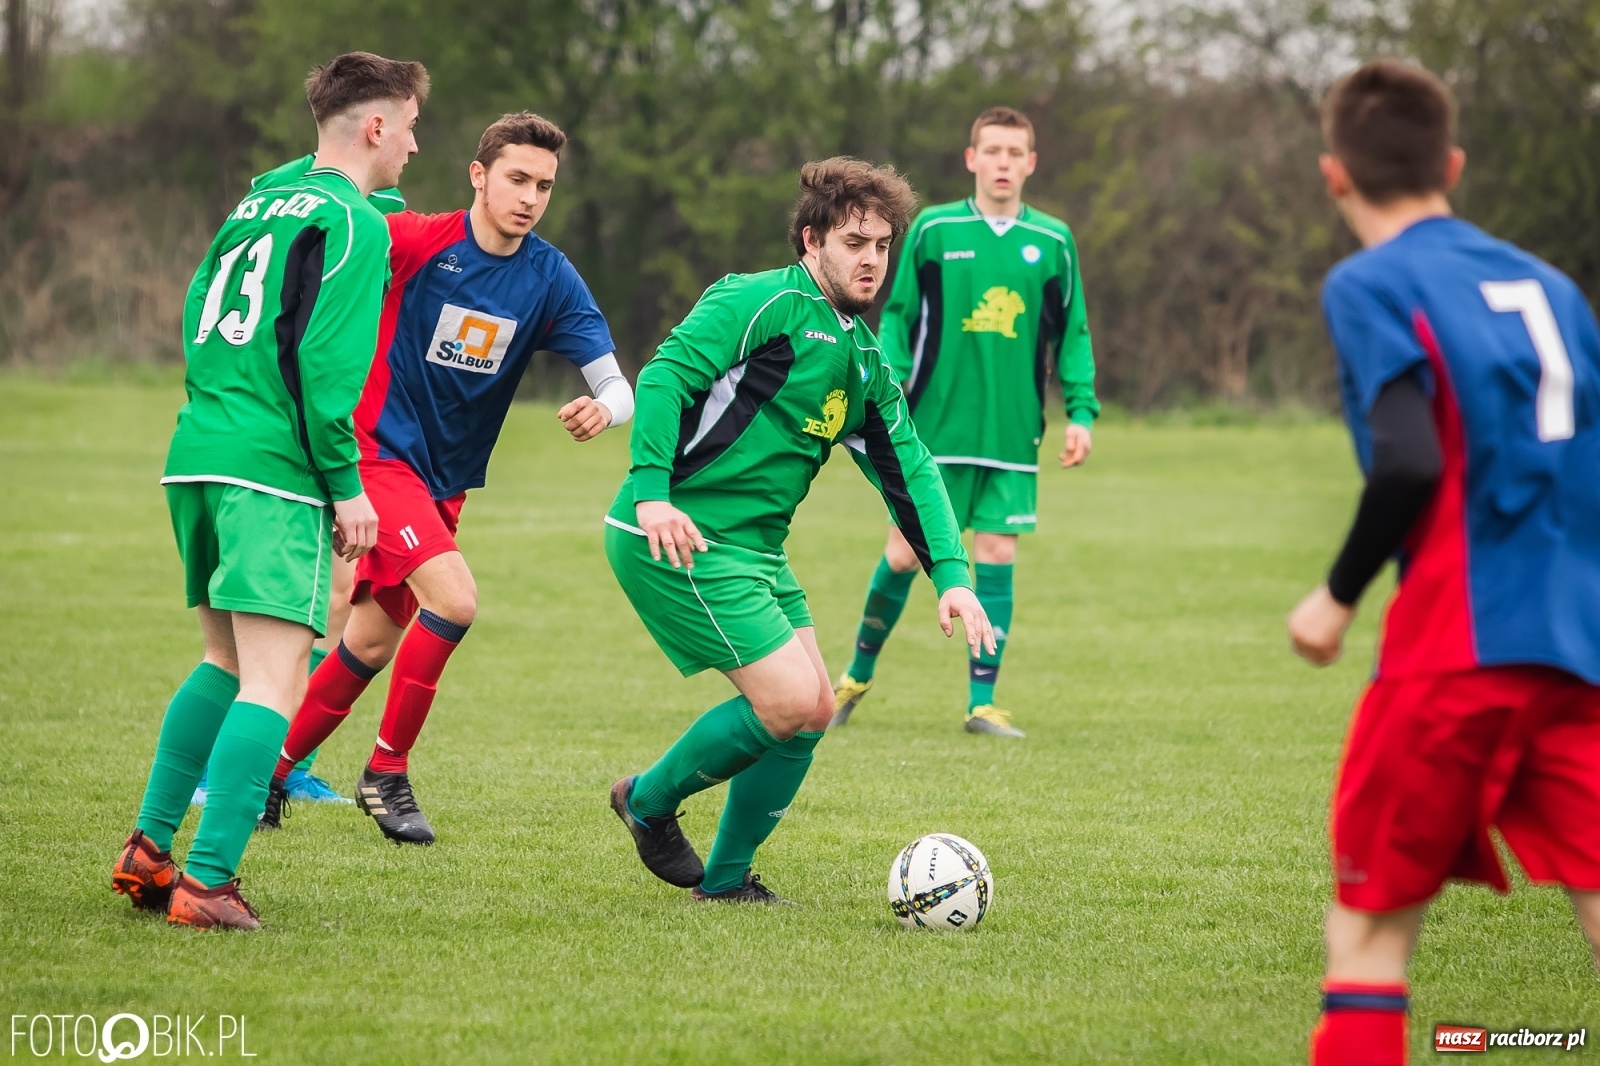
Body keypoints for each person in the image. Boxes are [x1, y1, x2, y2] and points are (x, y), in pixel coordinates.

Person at [1287, 59, 1600, 1064]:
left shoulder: (1370, 282)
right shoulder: (1555, 289)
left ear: (1335, 175)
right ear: (1452, 165)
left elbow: (1409, 459)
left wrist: (1336, 596)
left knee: (1369, 935)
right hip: (1580, 653)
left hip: (1457, 648)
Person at [605, 157, 994, 903]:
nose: (872, 259)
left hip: (755, 552)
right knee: (786, 701)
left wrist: (952, 577)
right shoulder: (761, 301)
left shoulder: (863, 359)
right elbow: (663, 377)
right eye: (854, 242)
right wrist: (653, 494)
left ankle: (724, 882)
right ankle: (647, 802)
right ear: (812, 241)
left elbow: (911, 469)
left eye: (882, 245)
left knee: (814, 710)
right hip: (676, 533)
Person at [110, 52, 428, 930]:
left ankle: (149, 849)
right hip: (272, 471)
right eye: (408, 127)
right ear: (374, 126)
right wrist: (347, 487)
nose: (414, 146)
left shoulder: (260, 202)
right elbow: (327, 372)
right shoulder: (354, 224)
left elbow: (197, 308)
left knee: (223, 661)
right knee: (275, 678)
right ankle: (209, 884)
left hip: (200, 451)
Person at [259, 112, 632, 844]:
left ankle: (266, 776)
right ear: (478, 175)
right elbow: (321, 243)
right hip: (377, 454)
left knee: (369, 644)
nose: (529, 197)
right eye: (517, 179)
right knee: (455, 601)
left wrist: (605, 409)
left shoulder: (549, 277)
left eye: (544, 186)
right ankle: (385, 772)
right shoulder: (414, 240)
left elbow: (619, 384)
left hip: (442, 485)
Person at [831, 106, 1098, 739]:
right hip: (935, 429)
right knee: (903, 554)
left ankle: (983, 703)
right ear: (972, 158)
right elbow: (899, 315)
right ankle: (855, 677)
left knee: (998, 555)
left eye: (1015, 153)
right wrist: (884, 378)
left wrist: (1081, 411)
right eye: (993, 151)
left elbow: (1074, 332)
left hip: (1011, 433)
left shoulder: (1053, 241)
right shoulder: (934, 228)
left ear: (1031, 163)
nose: (1004, 163)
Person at [190, 157, 410, 810]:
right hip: (307, 439)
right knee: (273, 636)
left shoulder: (331, 207)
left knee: (331, 605)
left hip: (334, 431)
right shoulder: (356, 216)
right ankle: (234, 777)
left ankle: (289, 763)